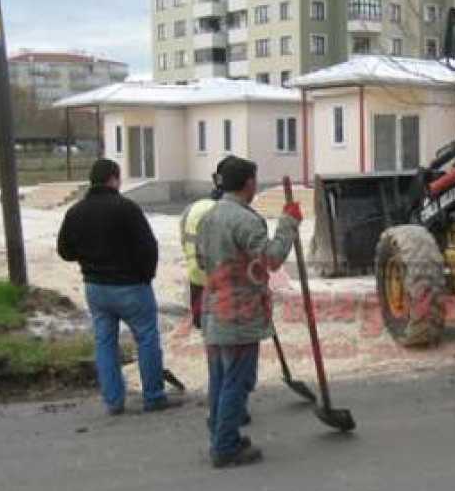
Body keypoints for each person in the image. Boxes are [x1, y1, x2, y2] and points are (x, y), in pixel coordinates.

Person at [197, 156, 302, 468]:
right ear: (248, 183)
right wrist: (288, 224)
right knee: (237, 380)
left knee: (220, 378)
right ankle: (225, 446)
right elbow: (272, 258)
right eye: (255, 180)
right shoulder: (244, 220)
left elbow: (202, 261)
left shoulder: (209, 217)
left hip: (214, 308)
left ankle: (221, 434)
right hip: (238, 313)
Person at [57, 159, 177, 415]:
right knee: (146, 338)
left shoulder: (75, 212)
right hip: (131, 286)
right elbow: (148, 246)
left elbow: (65, 251)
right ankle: (153, 397)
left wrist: (88, 259)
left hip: (95, 287)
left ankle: (113, 401)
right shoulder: (126, 209)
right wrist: (146, 275)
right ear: (113, 178)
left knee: (105, 342)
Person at [179, 163, 226, 329]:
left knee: (201, 325)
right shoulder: (225, 212)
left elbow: (183, 240)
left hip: (196, 276)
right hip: (221, 282)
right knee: (220, 329)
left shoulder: (192, 207)